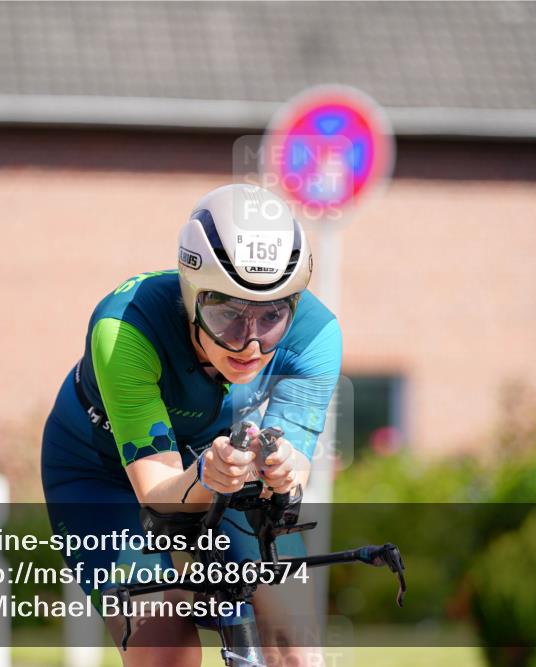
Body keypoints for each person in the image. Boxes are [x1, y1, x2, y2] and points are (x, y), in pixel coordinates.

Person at [41, 183, 342, 666]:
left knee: (296, 643)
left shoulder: (317, 335)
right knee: (165, 649)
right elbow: (158, 491)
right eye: (227, 316)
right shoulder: (124, 330)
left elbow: (293, 474)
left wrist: (283, 471)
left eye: (271, 318)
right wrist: (206, 474)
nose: (250, 345)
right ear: (191, 292)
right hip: (101, 473)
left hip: (221, 461)